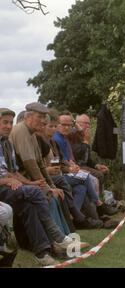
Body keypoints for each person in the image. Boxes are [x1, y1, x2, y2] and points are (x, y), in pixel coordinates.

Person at [1, 106, 75, 266]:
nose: (8, 126)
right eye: (4, 122)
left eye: (10, 122)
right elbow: (28, 165)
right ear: (29, 116)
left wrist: (30, 182)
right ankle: (58, 237)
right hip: (3, 188)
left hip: (12, 187)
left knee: (30, 205)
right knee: (39, 193)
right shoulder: (21, 132)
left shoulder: (6, 143)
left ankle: (43, 253)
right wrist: (6, 180)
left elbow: (14, 171)